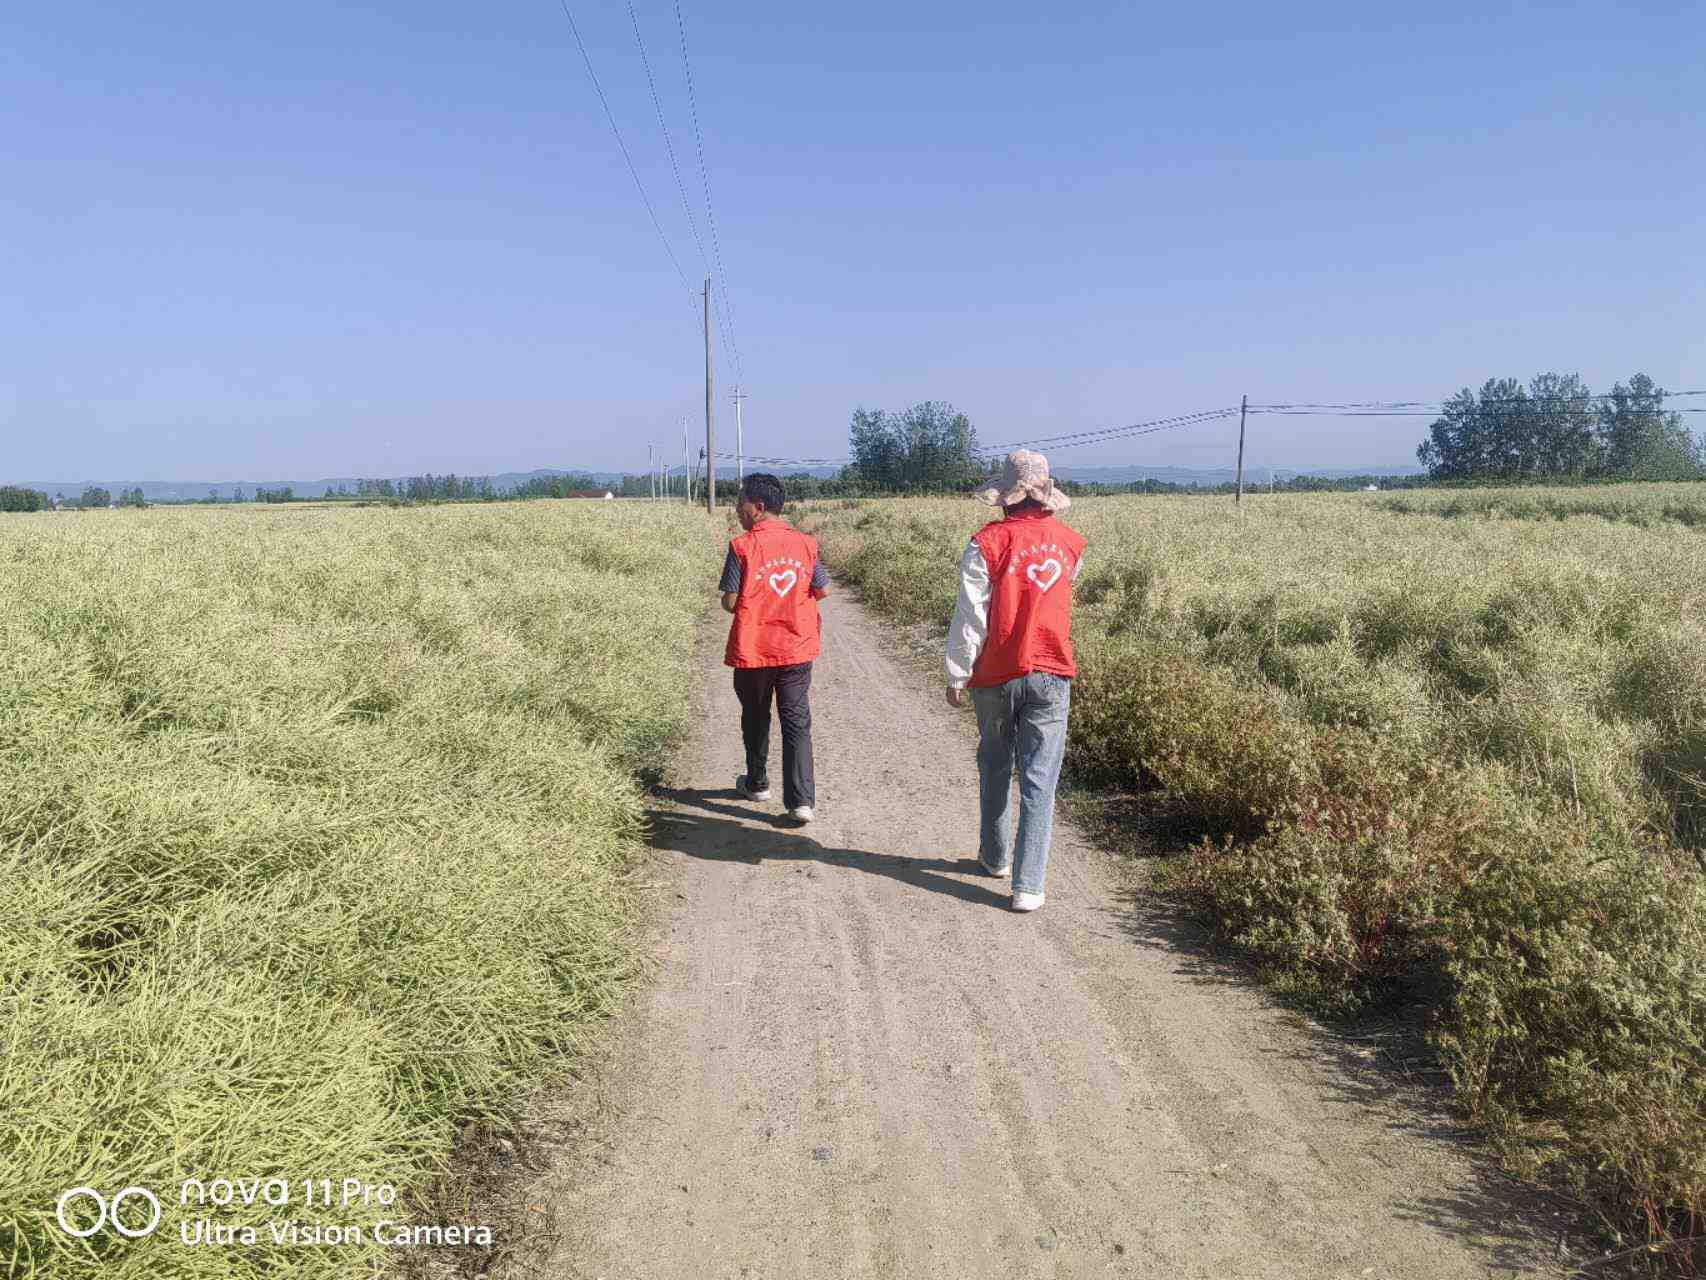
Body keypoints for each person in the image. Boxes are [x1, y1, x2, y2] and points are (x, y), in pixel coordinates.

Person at [944, 450, 1086, 912]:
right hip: (1052, 672)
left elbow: (971, 615)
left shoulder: (986, 543)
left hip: (996, 675)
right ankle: (1029, 885)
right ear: (1045, 495)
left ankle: (995, 856)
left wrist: (958, 673)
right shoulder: (1070, 544)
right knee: (1040, 780)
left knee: (994, 763)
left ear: (1005, 496)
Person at [721, 473, 830, 823]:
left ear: (758, 507)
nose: (737, 509)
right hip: (797, 646)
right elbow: (823, 589)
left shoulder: (741, 546)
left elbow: (730, 601)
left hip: (754, 649)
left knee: (755, 716)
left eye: (740, 503)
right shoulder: (806, 544)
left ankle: (757, 783)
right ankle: (801, 801)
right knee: (796, 721)